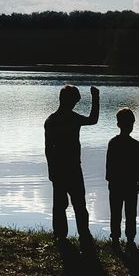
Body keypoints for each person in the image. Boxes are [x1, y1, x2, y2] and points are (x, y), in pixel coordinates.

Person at [44, 84, 99, 243]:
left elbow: (48, 149)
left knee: (63, 205)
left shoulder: (52, 120)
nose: (75, 105)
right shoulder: (70, 119)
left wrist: (51, 170)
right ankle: (81, 234)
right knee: (78, 204)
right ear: (67, 101)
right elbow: (93, 120)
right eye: (74, 102)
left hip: (61, 168)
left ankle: (62, 235)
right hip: (71, 168)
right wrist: (95, 98)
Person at [106, 107, 139, 248]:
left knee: (116, 212)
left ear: (118, 125)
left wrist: (110, 181)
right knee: (130, 213)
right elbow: (138, 166)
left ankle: (115, 238)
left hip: (116, 183)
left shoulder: (113, 142)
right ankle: (130, 238)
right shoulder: (134, 144)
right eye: (131, 124)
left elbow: (109, 165)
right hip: (130, 184)